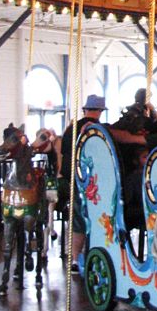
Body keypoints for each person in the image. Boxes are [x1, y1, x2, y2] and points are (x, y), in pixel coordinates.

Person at [61, 94, 147, 272]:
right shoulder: (101, 128)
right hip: (97, 181)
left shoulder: (70, 129)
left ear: (85, 109)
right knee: (104, 217)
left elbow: (64, 156)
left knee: (78, 218)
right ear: (100, 111)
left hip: (76, 178)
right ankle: (105, 252)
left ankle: (75, 259)